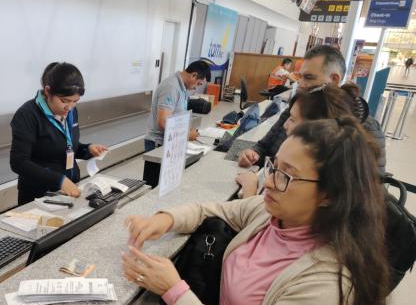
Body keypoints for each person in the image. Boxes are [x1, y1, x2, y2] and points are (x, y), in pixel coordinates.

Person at [123, 117, 388, 305]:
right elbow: (210, 209)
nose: (270, 182)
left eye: (287, 176)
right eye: (273, 167)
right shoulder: (272, 215)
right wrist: (165, 219)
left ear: (329, 195)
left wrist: (173, 290)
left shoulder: (329, 281)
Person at [238, 45, 386, 175]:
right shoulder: (296, 109)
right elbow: (264, 146)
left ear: (334, 79)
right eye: (300, 77)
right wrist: (253, 154)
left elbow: (365, 190)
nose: (301, 84)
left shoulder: (365, 129)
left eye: (308, 78)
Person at [10, 62, 107, 205]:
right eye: (64, 101)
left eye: (75, 101)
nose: (69, 107)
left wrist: (87, 149)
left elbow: (65, 146)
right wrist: (58, 180)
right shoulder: (27, 115)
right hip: (38, 196)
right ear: (48, 91)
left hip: (67, 192)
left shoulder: (70, 111)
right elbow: (18, 162)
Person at [235, 84, 355, 197]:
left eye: (292, 119)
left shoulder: (310, 177)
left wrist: (249, 189)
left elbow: (264, 217)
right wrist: (254, 153)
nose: (285, 125)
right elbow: (263, 146)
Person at [145, 60, 211, 151]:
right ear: (194, 75)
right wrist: (186, 134)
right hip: (158, 144)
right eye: (198, 83)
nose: (196, 87)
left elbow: (175, 116)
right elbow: (163, 122)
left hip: (170, 141)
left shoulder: (182, 87)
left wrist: (186, 129)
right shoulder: (171, 87)